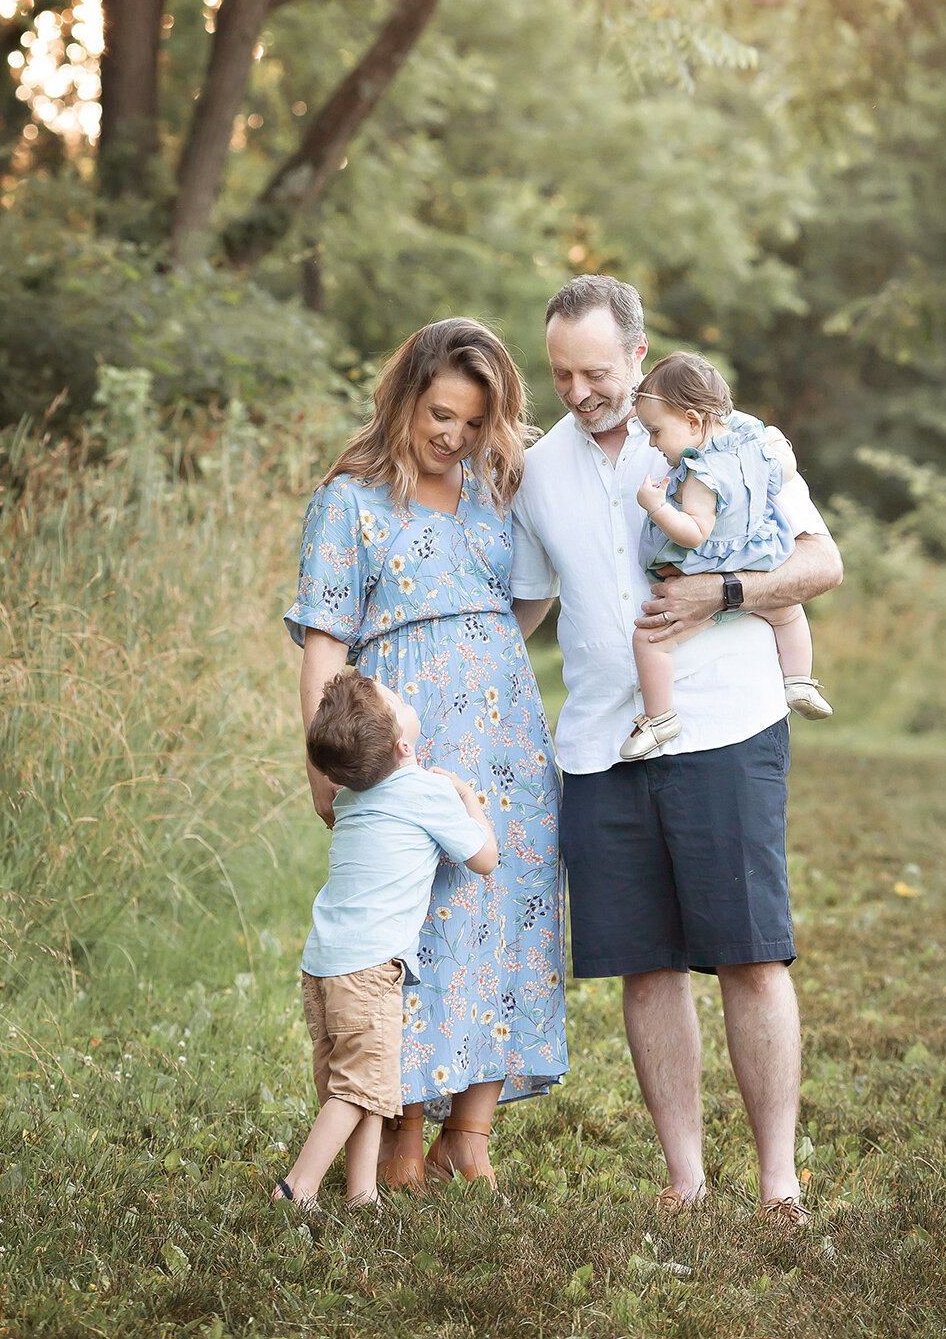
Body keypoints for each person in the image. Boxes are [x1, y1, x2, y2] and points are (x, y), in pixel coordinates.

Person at [510, 276, 844, 1223]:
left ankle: (778, 1184)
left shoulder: (737, 442)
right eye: (562, 374)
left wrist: (724, 593)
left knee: (749, 954)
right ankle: (686, 1179)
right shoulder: (539, 472)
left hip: (724, 725)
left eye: (597, 371)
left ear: (640, 357)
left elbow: (822, 563)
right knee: (645, 962)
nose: (579, 391)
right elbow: (528, 604)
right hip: (600, 745)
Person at [285, 317, 567, 1193]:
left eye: (475, 422)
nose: (455, 436)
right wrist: (324, 765)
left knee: (508, 902)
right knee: (421, 919)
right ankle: (400, 1126)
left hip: (506, 734)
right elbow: (326, 642)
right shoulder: (351, 498)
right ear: (406, 397)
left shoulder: (496, 489)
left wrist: (480, 651)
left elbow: (520, 604)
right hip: (405, 737)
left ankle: (469, 1134)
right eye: (441, 415)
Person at [273, 670, 497, 1212]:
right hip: (370, 969)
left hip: (324, 963)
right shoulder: (427, 791)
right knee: (357, 1089)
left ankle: (362, 1195)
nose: (404, 694)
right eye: (398, 702)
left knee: (360, 1083)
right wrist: (467, 795)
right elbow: (484, 858)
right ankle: (296, 1188)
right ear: (403, 746)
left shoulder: (350, 796)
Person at [626, 351, 830, 761]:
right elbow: (784, 470)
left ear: (693, 422)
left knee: (648, 642)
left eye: (655, 431)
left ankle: (660, 717)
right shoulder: (753, 447)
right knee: (787, 611)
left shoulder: (703, 475)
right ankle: (799, 680)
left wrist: (656, 506)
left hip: (708, 570)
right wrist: (777, 439)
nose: (651, 442)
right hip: (757, 560)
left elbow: (693, 533)